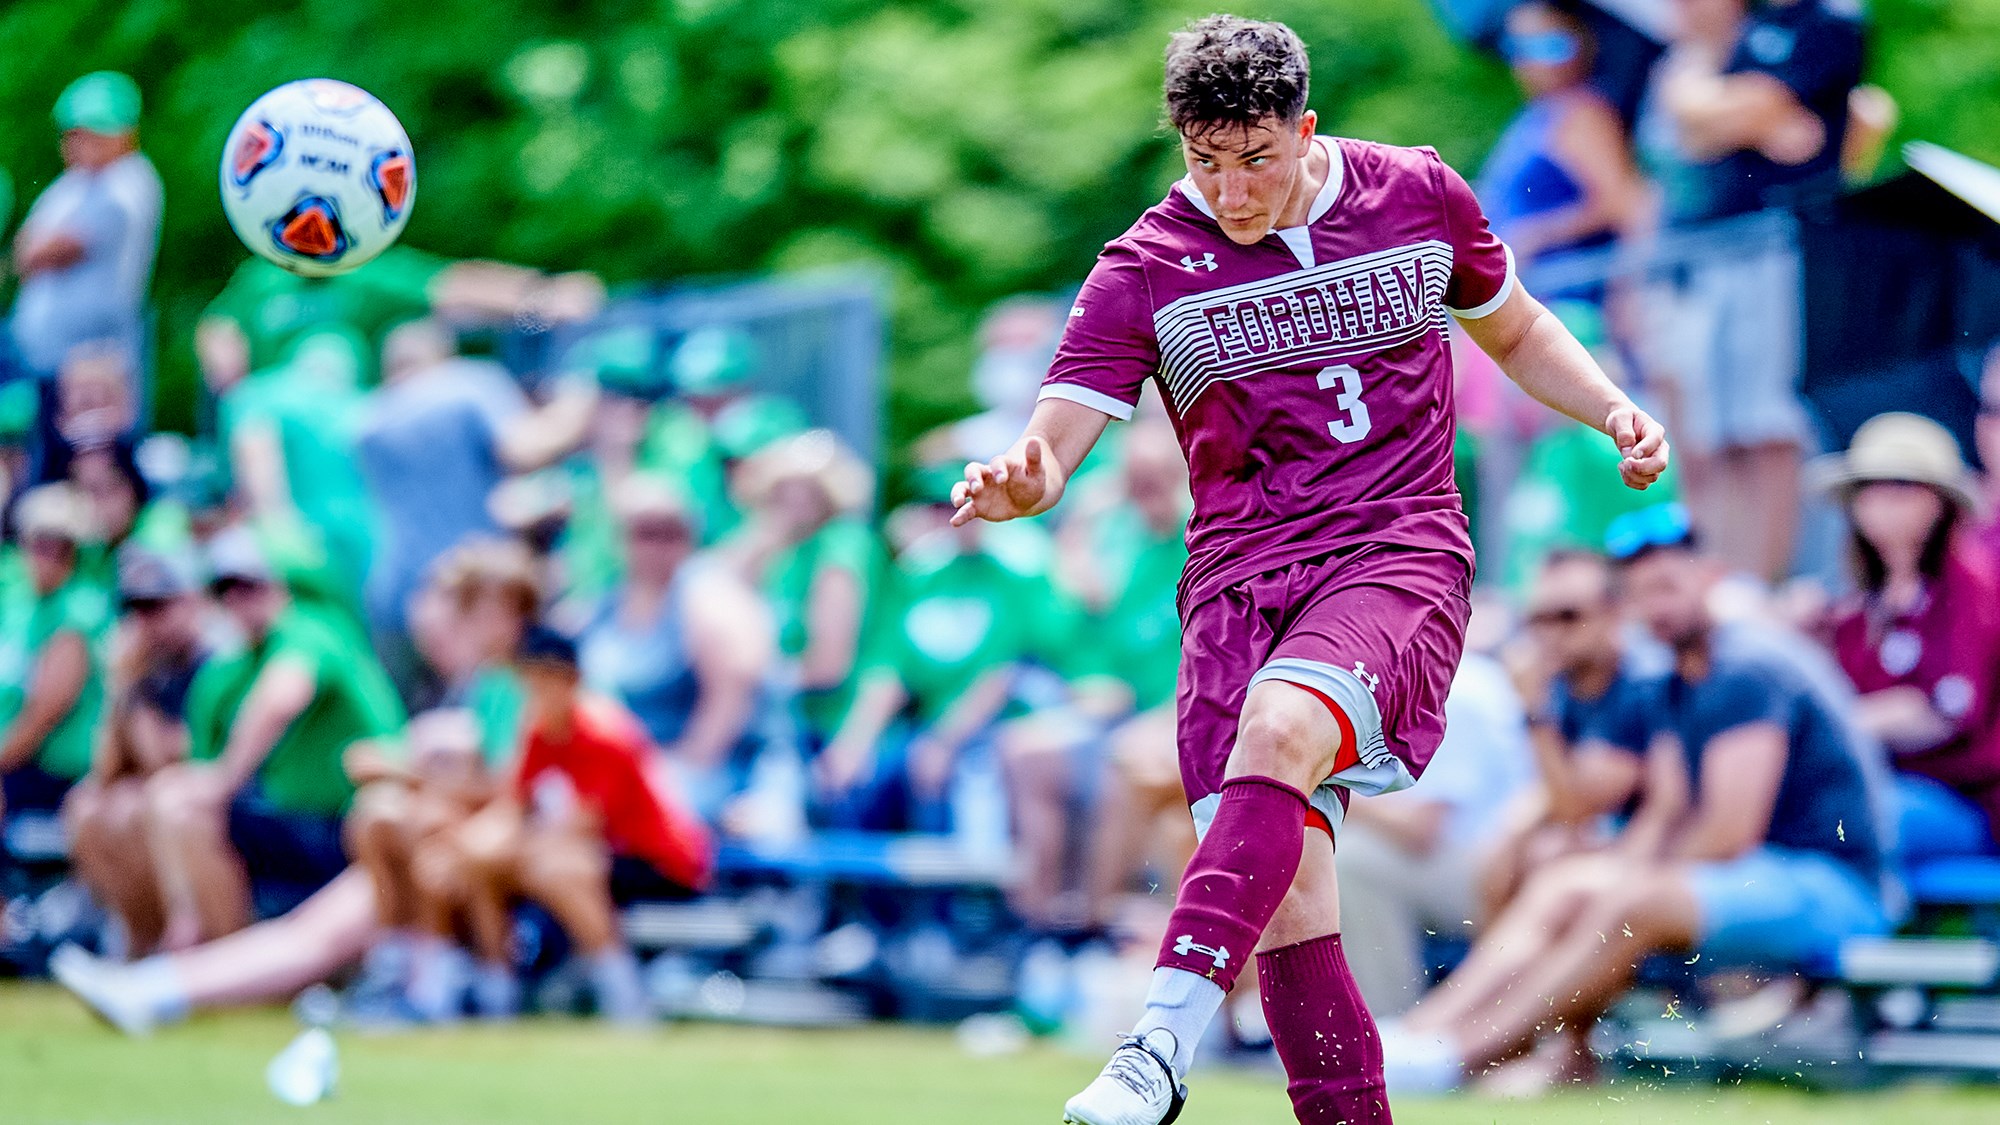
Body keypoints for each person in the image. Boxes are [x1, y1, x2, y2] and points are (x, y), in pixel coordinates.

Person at [950, 16, 1668, 1124]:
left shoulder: (1417, 196)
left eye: (1254, 159)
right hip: (1236, 591)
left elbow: (1515, 331)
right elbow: (1052, 447)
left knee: (1282, 729)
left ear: (1303, 128)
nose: (1230, 190)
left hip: (1395, 554)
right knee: (1288, 908)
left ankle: (1156, 1044)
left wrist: (1608, 406)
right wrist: (1020, 479)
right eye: (1203, 160)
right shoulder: (1143, 268)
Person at [1387, 507, 1892, 1091]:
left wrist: (1622, 876)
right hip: (1769, 876)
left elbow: (1729, 834)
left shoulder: (1748, 668)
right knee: (1568, 883)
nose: (1657, 607)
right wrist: (1606, 871)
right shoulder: (1685, 675)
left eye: (1670, 586)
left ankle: (1462, 1058)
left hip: (1837, 888)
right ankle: (1425, 1034)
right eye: (1643, 594)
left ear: (1711, 578)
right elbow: (1668, 814)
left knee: (1628, 899)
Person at [1633, 0, 1865, 581]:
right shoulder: (1747, 26)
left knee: (1768, 430)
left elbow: (1777, 128)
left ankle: (1763, 581)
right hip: (1715, 262)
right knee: (1717, 438)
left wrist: (1724, 111)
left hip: (1780, 249)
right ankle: (1726, 578)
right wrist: (1738, 116)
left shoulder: (1829, 21)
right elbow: (1696, 125)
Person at [403, 626, 713, 1023]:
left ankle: (625, 998)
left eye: (545, 683)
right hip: (593, 851)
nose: (536, 694)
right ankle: (494, 994)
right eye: (530, 684)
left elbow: (584, 826)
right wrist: (466, 848)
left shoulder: (604, 735)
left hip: (655, 860)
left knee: (556, 870)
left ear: (571, 681)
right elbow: (514, 806)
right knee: (470, 864)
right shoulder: (539, 732)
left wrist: (491, 848)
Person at [147, 529, 404, 948]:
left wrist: (225, 779)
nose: (238, 599)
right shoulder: (234, 663)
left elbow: (282, 697)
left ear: (279, 583)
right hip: (296, 820)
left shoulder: (311, 629)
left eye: (249, 585)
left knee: (183, 809)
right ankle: (196, 949)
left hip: (345, 821)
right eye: (226, 589)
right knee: (169, 798)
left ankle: (222, 963)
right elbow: (198, 759)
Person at [353, 319, 594, 699]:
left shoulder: (369, 419)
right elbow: (525, 450)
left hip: (395, 595)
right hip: (469, 590)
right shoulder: (466, 384)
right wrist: (575, 405)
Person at [578, 475, 799, 839]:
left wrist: (656, 781)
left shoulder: (709, 598)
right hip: (635, 773)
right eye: (644, 532)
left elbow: (727, 712)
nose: (657, 545)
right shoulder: (603, 605)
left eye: (671, 532)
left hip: (723, 772)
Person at [1821, 413, 2000, 855]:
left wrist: (1834, 721)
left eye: (1900, 486)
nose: (1880, 503)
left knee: (1841, 818)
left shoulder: (1972, 589)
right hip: (1883, 782)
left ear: (1940, 500)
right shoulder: (1856, 607)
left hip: (1963, 797)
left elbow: (1944, 711)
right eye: (1868, 488)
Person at [1333, 651, 1534, 1019]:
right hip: (1459, 858)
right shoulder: (1388, 682)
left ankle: (1386, 1027)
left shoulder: (1455, 689)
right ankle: (1264, 1022)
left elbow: (1421, 828)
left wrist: (1319, 781)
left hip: (1495, 868)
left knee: (1355, 862)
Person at [1481, 549, 1663, 918]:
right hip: (1611, 831)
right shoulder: (1566, 679)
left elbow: (1575, 808)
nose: (1550, 632)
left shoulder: (1642, 682)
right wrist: (1515, 832)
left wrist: (1534, 712)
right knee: (1500, 859)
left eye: (1568, 616)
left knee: (1543, 858)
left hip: (1661, 845)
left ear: (1615, 613)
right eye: (1538, 618)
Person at [63, 546, 211, 957]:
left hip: (215, 809)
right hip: (161, 798)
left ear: (190, 601)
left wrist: (132, 688)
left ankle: (166, 945)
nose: (147, 622)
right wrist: (118, 688)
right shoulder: (149, 668)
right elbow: (105, 769)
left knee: (136, 807)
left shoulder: (213, 660)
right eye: (138, 610)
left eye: (158, 606)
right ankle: (136, 942)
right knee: (87, 805)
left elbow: (170, 758)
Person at [721, 429, 879, 754]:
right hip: (782, 717)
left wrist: (753, 678)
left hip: (828, 725)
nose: (795, 499)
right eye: (784, 489)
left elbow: (828, 665)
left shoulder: (842, 544)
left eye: (808, 490)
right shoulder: (784, 549)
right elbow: (716, 587)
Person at [1477, 2, 1647, 299]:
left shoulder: (1582, 114)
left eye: (1551, 46)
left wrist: (1537, 235)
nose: (1534, 61)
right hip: (1533, 299)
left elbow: (1624, 202)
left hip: (1571, 301)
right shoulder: (1536, 114)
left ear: (1582, 44)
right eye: (1519, 48)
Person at [7, 72, 161, 390]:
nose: (81, 144)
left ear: (124, 134)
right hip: (42, 354)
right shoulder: (74, 184)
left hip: (93, 363)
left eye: (92, 133)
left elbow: (54, 249)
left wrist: (39, 247)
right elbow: (24, 249)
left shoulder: (129, 182)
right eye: (74, 134)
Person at [0, 485, 110, 836]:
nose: (46, 556)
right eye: (38, 544)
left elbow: (39, 720)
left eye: (58, 547)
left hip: (53, 770)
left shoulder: (78, 613)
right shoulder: (21, 603)